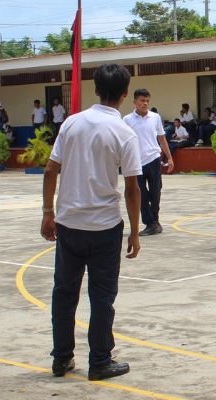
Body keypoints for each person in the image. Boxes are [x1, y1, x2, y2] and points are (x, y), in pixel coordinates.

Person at [41, 63, 141, 381]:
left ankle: (61, 359)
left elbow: (49, 170)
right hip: (105, 227)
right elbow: (132, 188)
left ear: (96, 89)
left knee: (64, 293)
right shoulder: (124, 132)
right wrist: (136, 231)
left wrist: (47, 213)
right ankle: (99, 361)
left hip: (69, 223)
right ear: (125, 94)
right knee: (101, 296)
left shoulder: (71, 124)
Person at [123, 88, 174, 236]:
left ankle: (154, 221)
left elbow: (162, 138)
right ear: (135, 102)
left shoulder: (155, 117)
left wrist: (169, 157)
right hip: (136, 162)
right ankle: (150, 223)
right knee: (141, 195)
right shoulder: (127, 120)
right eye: (142, 101)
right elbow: (124, 141)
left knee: (156, 192)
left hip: (153, 159)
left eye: (147, 101)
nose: (145, 104)